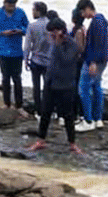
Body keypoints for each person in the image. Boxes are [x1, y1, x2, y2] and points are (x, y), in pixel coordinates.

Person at [27, 17, 82, 155]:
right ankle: (41, 140)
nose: (50, 36)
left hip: (66, 86)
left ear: (60, 31)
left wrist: (57, 44)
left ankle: (72, 143)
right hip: (50, 84)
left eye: (52, 33)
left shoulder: (72, 45)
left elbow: (65, 61)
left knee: (68, 116)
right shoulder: (53, 43)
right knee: (45, 113)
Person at [0, 0, 29, 113]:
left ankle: (19, 105)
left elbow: (28, 28)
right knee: (5, 78)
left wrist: (20, 31)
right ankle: (7, 103)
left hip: (17, 52)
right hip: (2, 50)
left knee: (17, 78)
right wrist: (1, 33)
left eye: (13, 6)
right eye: (9, 5)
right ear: (4, 3)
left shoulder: (20, 12)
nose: (11, 8)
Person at [75, 0, 108, 132]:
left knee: (83, 88)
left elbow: (98, 44)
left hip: (95, 61)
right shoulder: (100, 20)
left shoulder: (97, 21)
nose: (83, 16)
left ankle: (88, 120)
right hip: (101, 60)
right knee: (96, 87)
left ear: (88, 8)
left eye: (83, 12)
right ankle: (97, 119)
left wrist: (93, 62)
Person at [24, 1, 51, 115]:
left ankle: (38, 110)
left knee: (36, 86)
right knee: (48, 87)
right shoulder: (51, 25)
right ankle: (48, 109)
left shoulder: (32, 26)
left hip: (36, 60)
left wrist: (25, 59)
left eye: (33, 10)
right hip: (49, 61)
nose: (32, 12)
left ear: (38, 11)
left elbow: (27, 45)